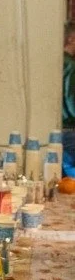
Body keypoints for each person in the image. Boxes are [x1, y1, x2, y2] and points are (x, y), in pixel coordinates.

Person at [63, 22, 75, 176]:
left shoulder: (56, 62)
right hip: (70, 131)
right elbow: (72, 100)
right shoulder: (71, 66)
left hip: (55, 131)